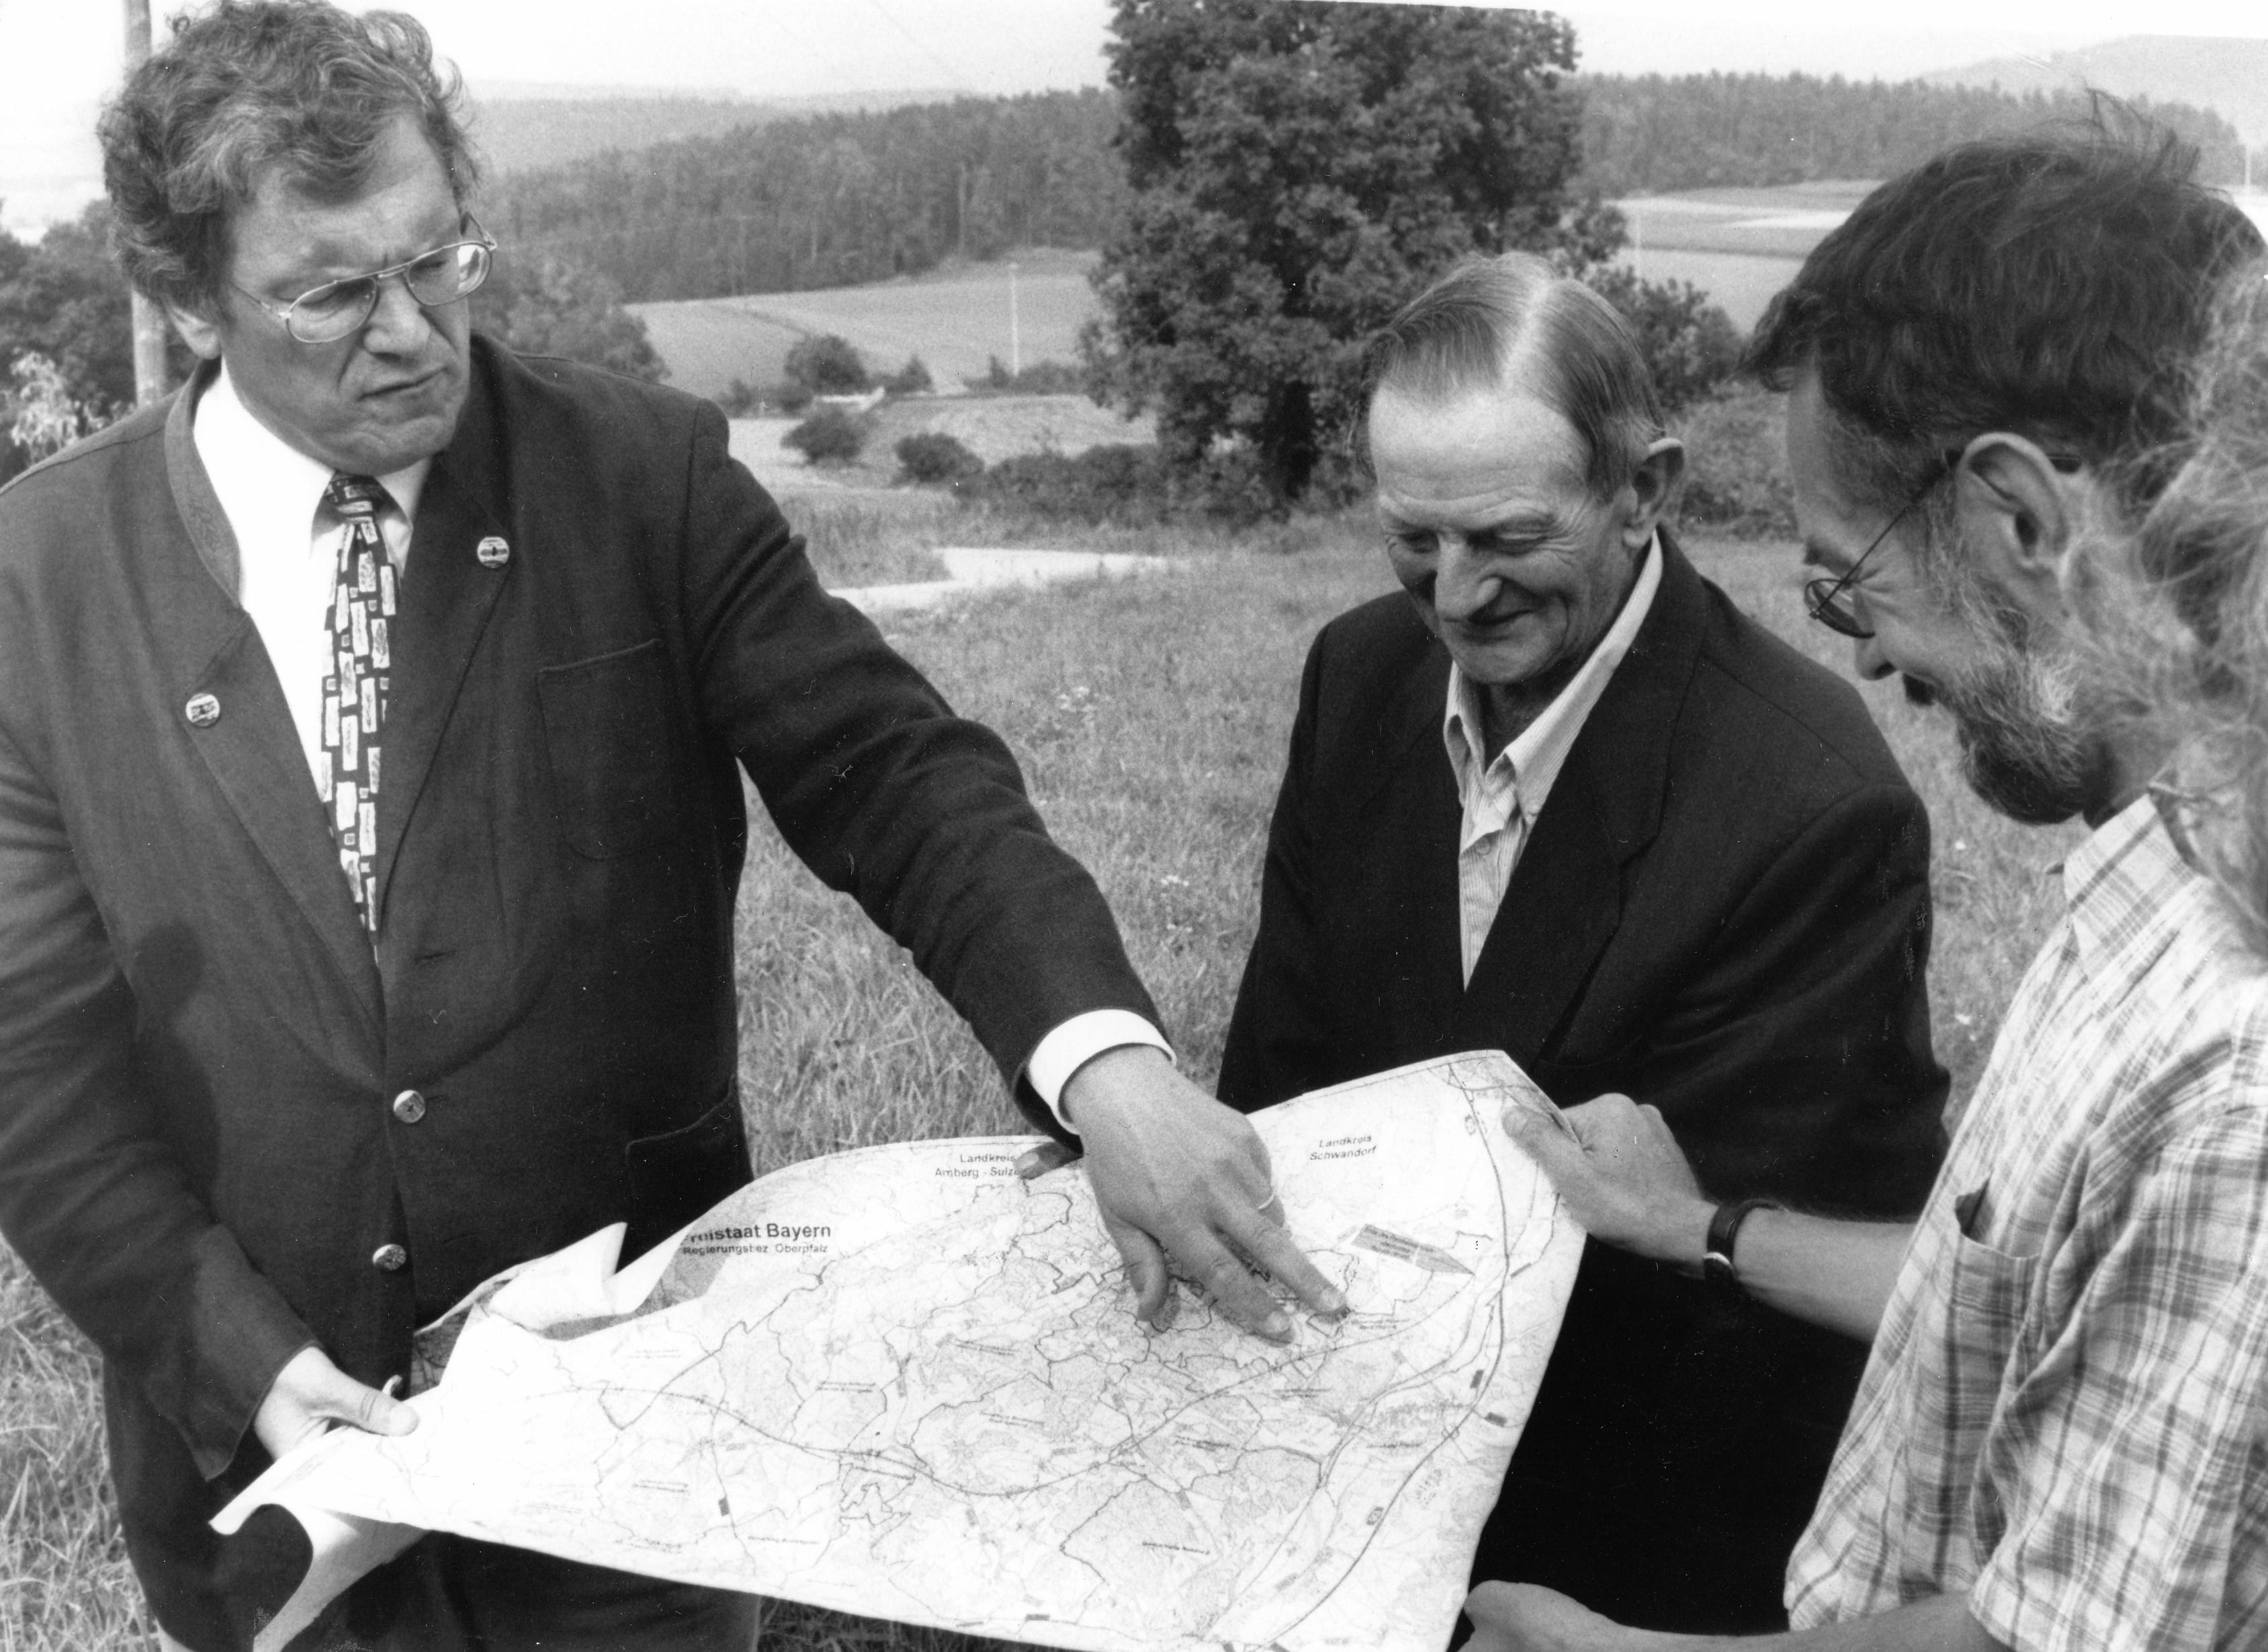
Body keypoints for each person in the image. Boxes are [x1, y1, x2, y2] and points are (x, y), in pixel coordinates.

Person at [0, 5, 1341, 1649]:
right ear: (189, 297)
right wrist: (246, 1363)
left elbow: (893, 775)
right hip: (267, 1491)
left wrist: (1102, 1059)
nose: (411, 333)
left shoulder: (642, 476)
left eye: (437, 261)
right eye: (333, 295)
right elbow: (31, 1071)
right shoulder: (38, 582)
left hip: (638, 1457)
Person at [1471, 130, 2268, 1652]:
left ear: (2020, 518)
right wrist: (1692, 1225)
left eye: (1849, 583)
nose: (1861, 654)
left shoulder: (2231, 1056)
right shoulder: (2168, 858)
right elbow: (2032, 1284)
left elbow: (2046, 1641)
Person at [1214, 249, 1950, 1633]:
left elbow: (1741, 1319)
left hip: (1627, 1547)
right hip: (1343, 1470)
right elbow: (1280, 1071)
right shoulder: (1356, 675)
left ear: (1644, 490)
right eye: (1412, 536)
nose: (1452, 597)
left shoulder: (1807, 801)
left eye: (1505, 538)